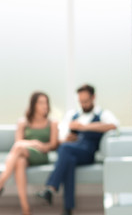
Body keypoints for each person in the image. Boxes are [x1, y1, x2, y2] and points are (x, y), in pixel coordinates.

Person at [37, 84, 119, 215]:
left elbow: (113, 126)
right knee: (68, 158)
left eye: (86, 101)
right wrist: (68, 139)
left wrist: (85, 127)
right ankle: (67, 209)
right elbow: (60, 140)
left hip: (88, 153)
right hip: (71, 149)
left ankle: (51, 188)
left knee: (65, 151)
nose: (83, 104)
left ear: (93, 97)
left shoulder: (103, 114)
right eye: (81, 102)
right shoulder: (72, 115)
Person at [0, 92, 58, 215]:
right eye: (41, 102)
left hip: (41, 154)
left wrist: (41, 146)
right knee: (20, 161)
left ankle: (1, 181)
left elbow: (53, 145)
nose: (45, 106)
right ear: (33, 104)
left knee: (19, 149)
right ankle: (26, 208)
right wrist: (34, 142)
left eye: (46, 102)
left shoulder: (52, 123)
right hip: (25, 154)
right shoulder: (23, 122)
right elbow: (18, 141)